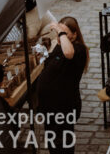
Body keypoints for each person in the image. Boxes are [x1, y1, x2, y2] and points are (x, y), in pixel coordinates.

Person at [37, 17, 89, 153]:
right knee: (53, 142)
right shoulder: (60, 44)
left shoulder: (78, 49)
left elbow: (68, 53)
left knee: (62, 143)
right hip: (50, 106)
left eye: (65, 33)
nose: (60, 36)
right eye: (60, 32)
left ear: (74, 34)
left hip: (63, 107)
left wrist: (61, 33)